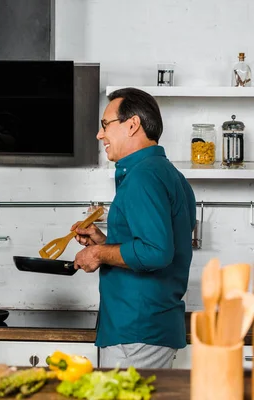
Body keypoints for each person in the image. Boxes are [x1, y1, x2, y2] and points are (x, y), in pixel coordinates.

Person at [72, 88, 196, 369]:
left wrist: (99, 254)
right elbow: (154, 241)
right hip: (149, 328)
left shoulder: (143, 176)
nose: (100, 135)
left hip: (137, 332)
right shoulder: (168, 173)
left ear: (132, 124)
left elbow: (156, 252)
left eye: (105, 125)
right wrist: (103, 242)